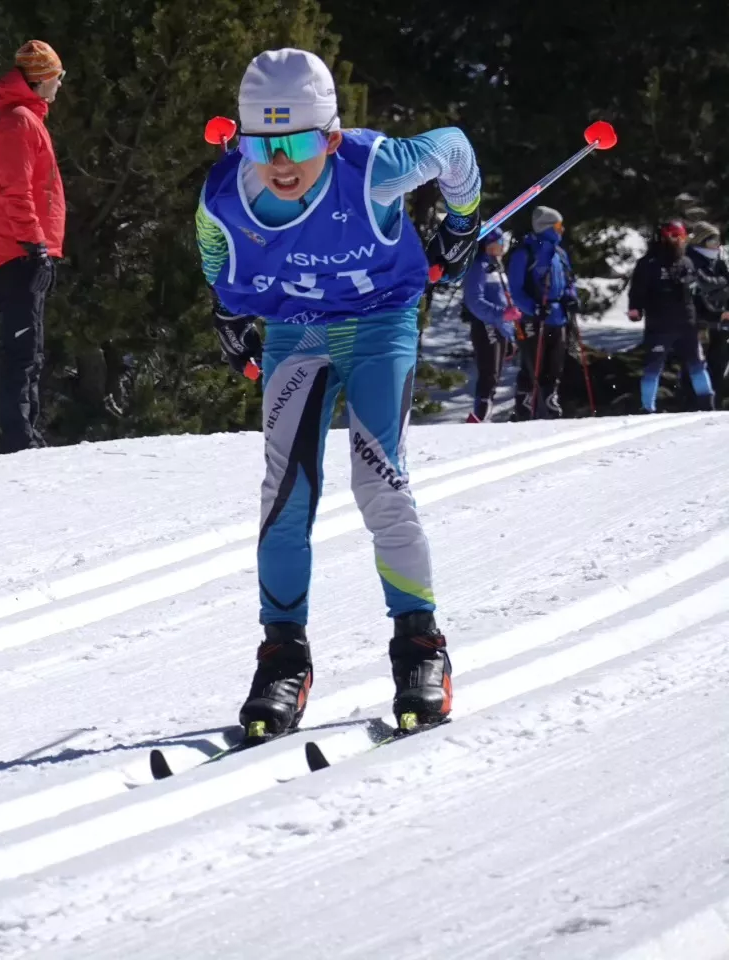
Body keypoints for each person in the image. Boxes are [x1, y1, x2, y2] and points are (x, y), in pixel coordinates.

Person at [196, 48, 482, 741]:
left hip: (379, 323)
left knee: (379, 480)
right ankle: (282, 657)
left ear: (329, 137)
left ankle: (420, 646)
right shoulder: (225, 194)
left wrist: (462, 222)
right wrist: (228, 312)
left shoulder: (374, 168)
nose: (280, 163)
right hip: (297, 331)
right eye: (261, 145)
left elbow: (454, 148)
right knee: (285, 494)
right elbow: (215, 250)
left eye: (297, 144)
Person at [0, 41, 67, 455]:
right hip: (18, 251)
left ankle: (26, 434)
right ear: (41, 78)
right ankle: (18, 440)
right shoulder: (18, 121)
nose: (60, 84)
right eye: (57, 76)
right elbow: (16, 191)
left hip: (25, 248)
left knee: (30, 346)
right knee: (22, 348)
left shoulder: (26, 118)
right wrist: (35, 245)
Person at [629, 219, 713, 412]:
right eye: (674, 236)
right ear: (663, 237)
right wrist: (635, 308)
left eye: (682, 236)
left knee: (697, 364)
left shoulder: (687, 262)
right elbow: (637, 290)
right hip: (659, 324)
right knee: (653, 367)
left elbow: (698, 292)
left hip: (687, 323)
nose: (679, 240)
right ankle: (647, 408)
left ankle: (707, 405)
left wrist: (705, 314)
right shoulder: (648, 263)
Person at [506, 206, 577, 420]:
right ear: (546, 227)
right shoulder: (525, 253)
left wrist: (571, 297)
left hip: (557, 316)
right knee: (532, 364)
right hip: (532, 318)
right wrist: (533, 308)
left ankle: (549, 401)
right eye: (558, 226)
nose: (562, 230)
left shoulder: (559, 253)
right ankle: (524, 407)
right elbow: (516, 290)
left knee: (555, 363)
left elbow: (568, 280)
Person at [460, 226, 522, 422]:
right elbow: (474, 300)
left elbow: (503, 299)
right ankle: (479, 416)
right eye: (500, 242)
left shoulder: (497, 266)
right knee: (489, 372)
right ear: (488, 244)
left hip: (499, 325)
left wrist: (509, 331)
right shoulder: (479, 266)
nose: (503, 246)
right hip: (485, 324)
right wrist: (501, 314)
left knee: (494, 374)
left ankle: (484, 416)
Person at [687, 221, 729, 404]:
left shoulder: (719, 259)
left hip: (722, 317)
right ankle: (693, 401)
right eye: (713, 240)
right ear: (701, 240)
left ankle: (715, 400)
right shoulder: (690, 259)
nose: (717, 244)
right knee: (697, 361)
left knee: (719, 360)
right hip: (699, 318)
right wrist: (722, 284)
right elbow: (703, 284)